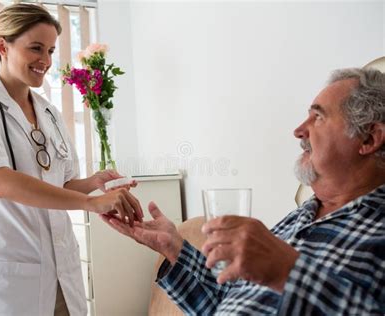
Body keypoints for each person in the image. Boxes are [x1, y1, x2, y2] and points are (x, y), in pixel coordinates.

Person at [102, 67, 385, 315]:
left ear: (369, 138)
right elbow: (227, 301)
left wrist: (288, 270)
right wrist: (174, 247)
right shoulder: (299, 217)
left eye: (318, 117)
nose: (299, 131)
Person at [0, 4, 142, 316]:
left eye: (51, 50)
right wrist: (92, 204)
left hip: (61, 272)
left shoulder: (49, 113)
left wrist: (93, 184)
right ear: (3, 46)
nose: (46, 61)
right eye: (36, 48)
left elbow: (63, 183)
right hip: (10, 281)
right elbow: (0, 182)